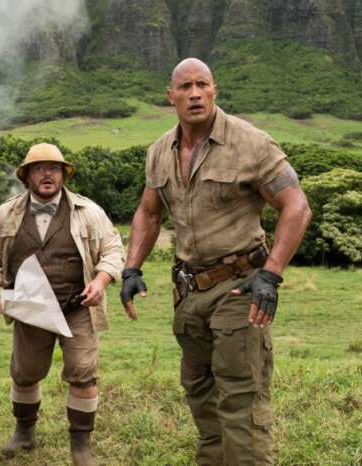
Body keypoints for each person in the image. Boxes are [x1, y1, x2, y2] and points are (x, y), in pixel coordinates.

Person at [121, 58, 312, 465]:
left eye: (202, 85)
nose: (194, 94)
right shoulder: (159, 151)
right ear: (170, 96)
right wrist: (131, 268)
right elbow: (149, 213)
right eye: (185, 87)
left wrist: (270, 275)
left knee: (240, 395)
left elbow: (296, 207)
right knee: (200, 392)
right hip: (189, 292)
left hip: (240, 287)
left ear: (214, 90)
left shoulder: (252, 143)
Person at [0, 143, 125, 466]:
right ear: (26, 176)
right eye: (39, 168)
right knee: (25, 373)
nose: (47, 174)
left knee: (83, 373)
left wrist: (101, 282)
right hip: (30, 309)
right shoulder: (6, 213)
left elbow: (113, 250)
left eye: (54, 168)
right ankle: (24, 434)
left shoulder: (88, 211)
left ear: (63, 174)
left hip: (78, 308)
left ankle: (81, 446)